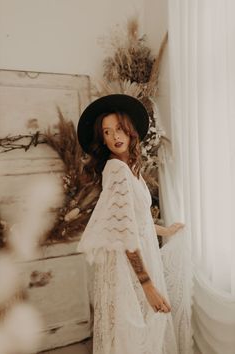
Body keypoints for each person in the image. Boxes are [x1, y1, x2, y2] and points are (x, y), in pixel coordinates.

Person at [77, 94, 184, 354]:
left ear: (130, 131)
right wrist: (148, 285)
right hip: (129, 267)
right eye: (107, 131)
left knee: (144, 332)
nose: (115, 136)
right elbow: (123, 234)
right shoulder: (116, 171)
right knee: (134, 334)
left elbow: (137, 222)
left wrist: (166, 230)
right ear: (102, 138)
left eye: (120, 128)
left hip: (142, 255)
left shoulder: (130, 168)